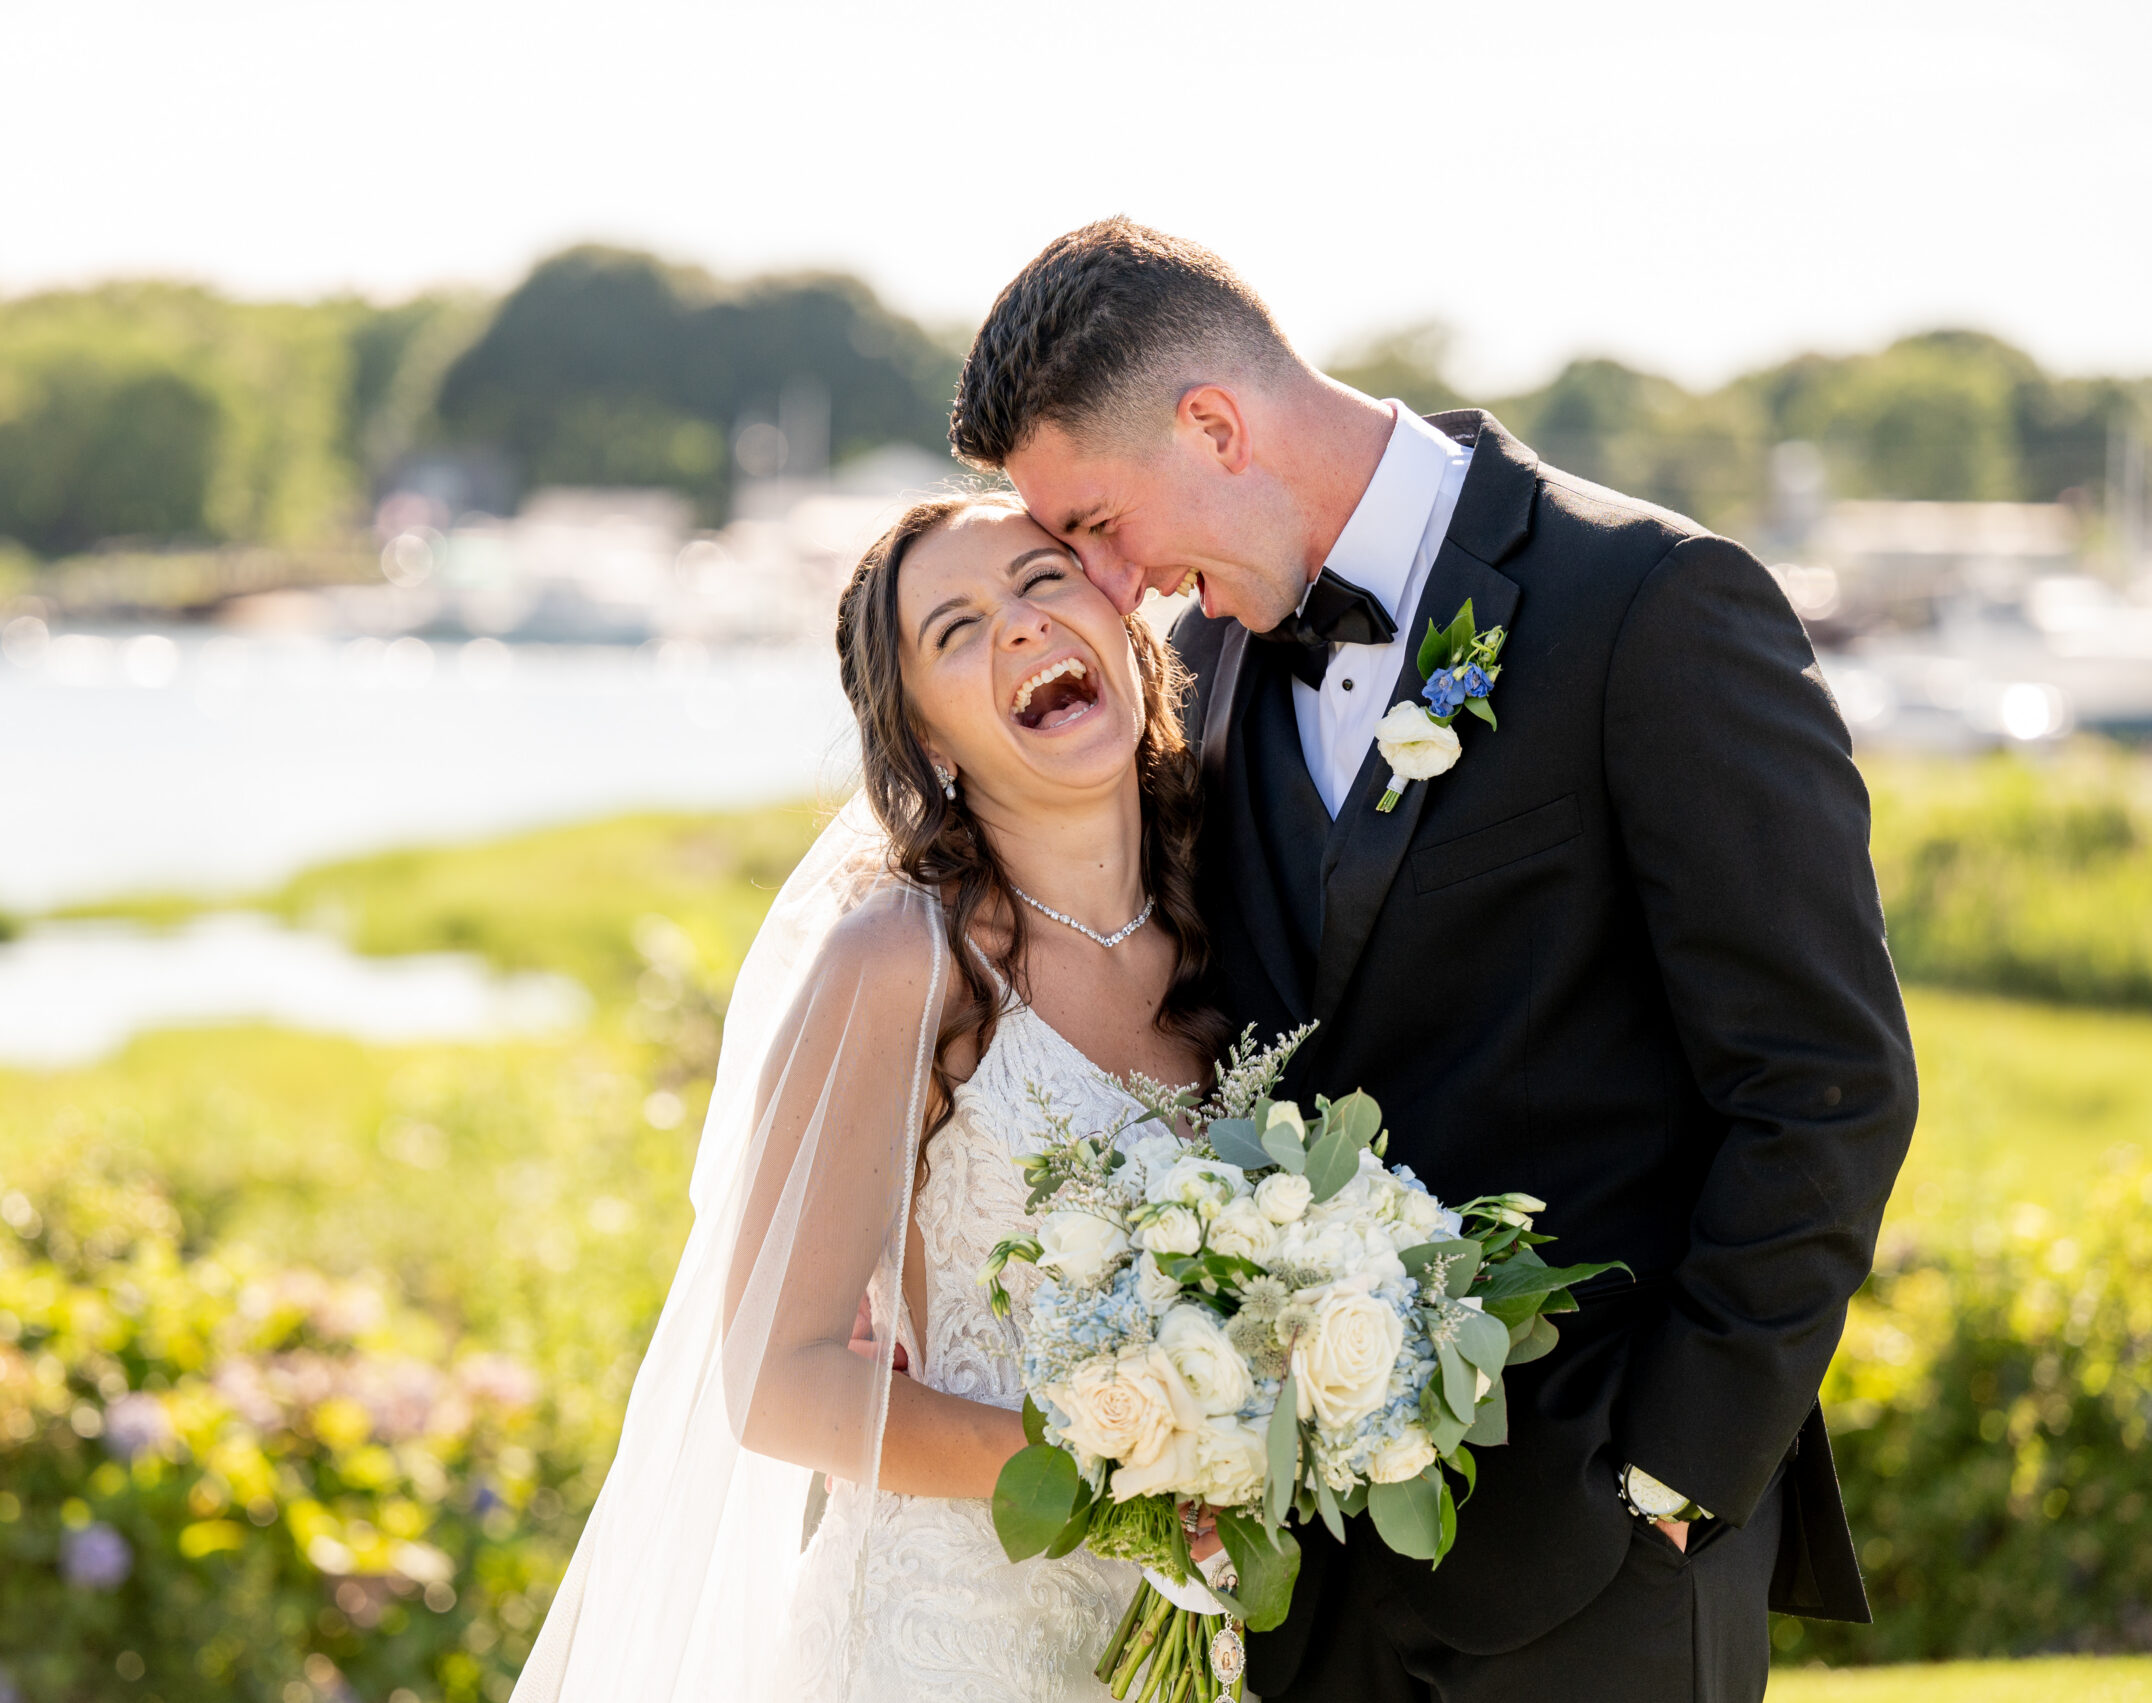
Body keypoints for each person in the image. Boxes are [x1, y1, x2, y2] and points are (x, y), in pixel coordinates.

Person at [946, 217, 1919, 1702]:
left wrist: (1672, 1477)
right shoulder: (1197, 670)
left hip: (1607, 1561)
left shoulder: (1652, 605)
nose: (1108, 582)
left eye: (1093, 522)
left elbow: (1826, 1083)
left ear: (1213, 423)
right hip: (1300, 1571)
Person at [513, 490, 1229, 1701]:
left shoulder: (1226, 929)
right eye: (954, 629)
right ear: (930, 738)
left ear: (1120, 626)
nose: (1016, 627)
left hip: (1192, 1643)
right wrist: (1101, 1470)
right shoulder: (909, 958)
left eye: (1041, 580)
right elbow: (779, 1379)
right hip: (947, 1643)